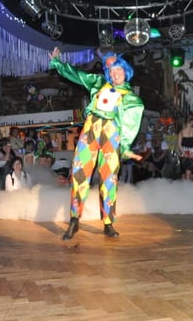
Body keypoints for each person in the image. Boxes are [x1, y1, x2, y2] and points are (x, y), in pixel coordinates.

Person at [49, 47, 144, 240]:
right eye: (112, 71)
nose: (115, 74)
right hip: (91, 129)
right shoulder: (99, 83)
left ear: (125, 71)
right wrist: (58, 63)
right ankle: (74, 220)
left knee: (109, 179)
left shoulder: (132, 98)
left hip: (111, 134)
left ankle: (108, 223)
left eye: (119, 70)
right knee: (79, 174)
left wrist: (125, 147)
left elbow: (130, 125)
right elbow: (77, 75)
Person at [178, 116, 193, 181]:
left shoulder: (181, 132)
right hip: (192, 153)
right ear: (191, 122)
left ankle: (188, 185)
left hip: (187, 153)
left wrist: (184, 153)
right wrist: (191, 153)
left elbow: (179, 145)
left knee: (186, 173)